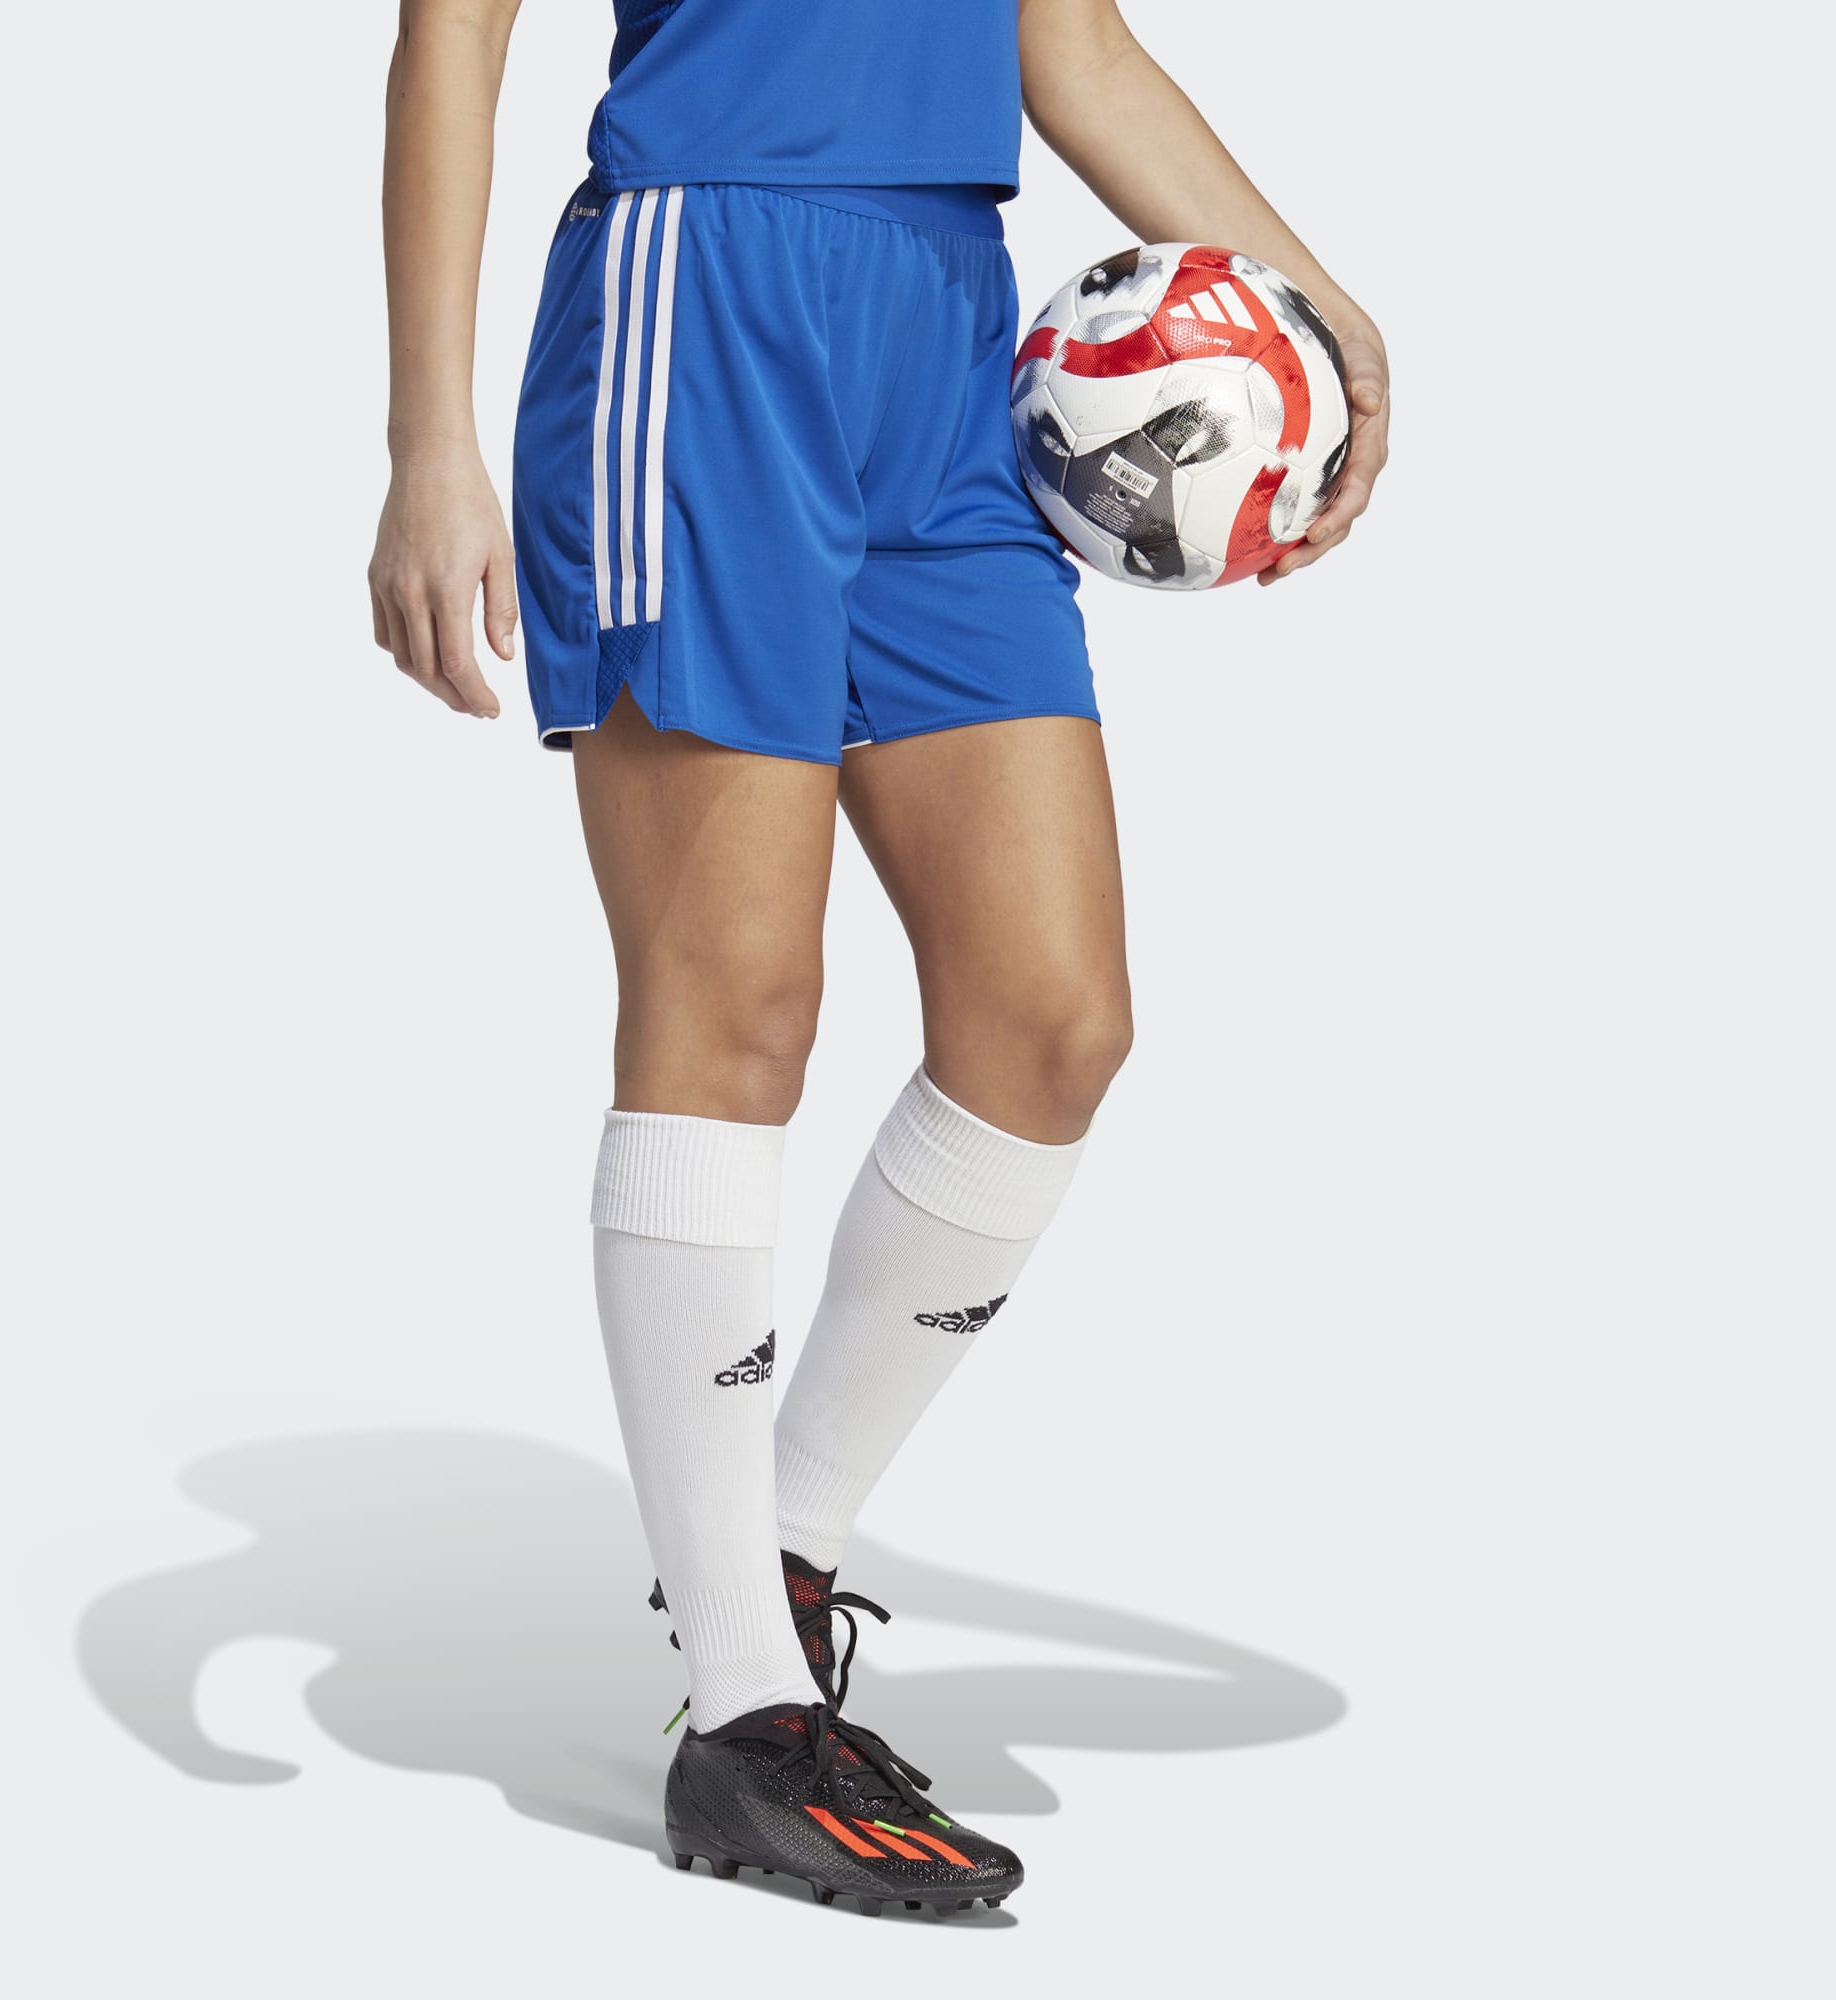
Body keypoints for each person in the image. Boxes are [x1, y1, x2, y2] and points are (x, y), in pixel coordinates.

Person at [368, 0, 1390, 1916]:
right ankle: (746, 1719)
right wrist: (431, 443)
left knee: (1051, 1022)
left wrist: (1318, 303)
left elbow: (1072, 48)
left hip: (948, 327)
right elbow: (452, 33)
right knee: (737, 1002)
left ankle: (775, 1550)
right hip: (703, 291)